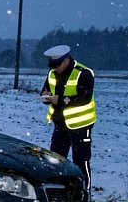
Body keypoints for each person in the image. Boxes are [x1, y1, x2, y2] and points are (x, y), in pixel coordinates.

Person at [41, 44, 96, 188]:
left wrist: (60, 99)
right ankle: (58, 190)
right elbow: (45, 89)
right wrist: (45, 96)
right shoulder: (52, 72)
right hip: (60, 125)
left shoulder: (83, 73)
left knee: (81, 161)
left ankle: (85, 193)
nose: (55, 68)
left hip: (81, 126)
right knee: (56, 160)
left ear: (66, 61)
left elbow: (84, 97)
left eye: (57, 65)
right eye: (53, 65)